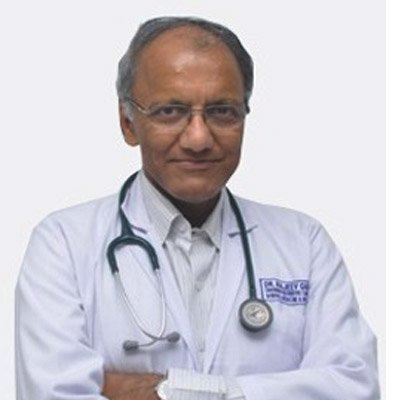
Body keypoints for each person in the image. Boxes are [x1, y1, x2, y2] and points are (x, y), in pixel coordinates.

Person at [15, 16, 380, 400]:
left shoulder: (304, 244)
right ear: (128, 123)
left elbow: (355, 388)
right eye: (170, 111)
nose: (198, 139)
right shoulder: (63, 245)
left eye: (222, 111)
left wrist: (164, 391)